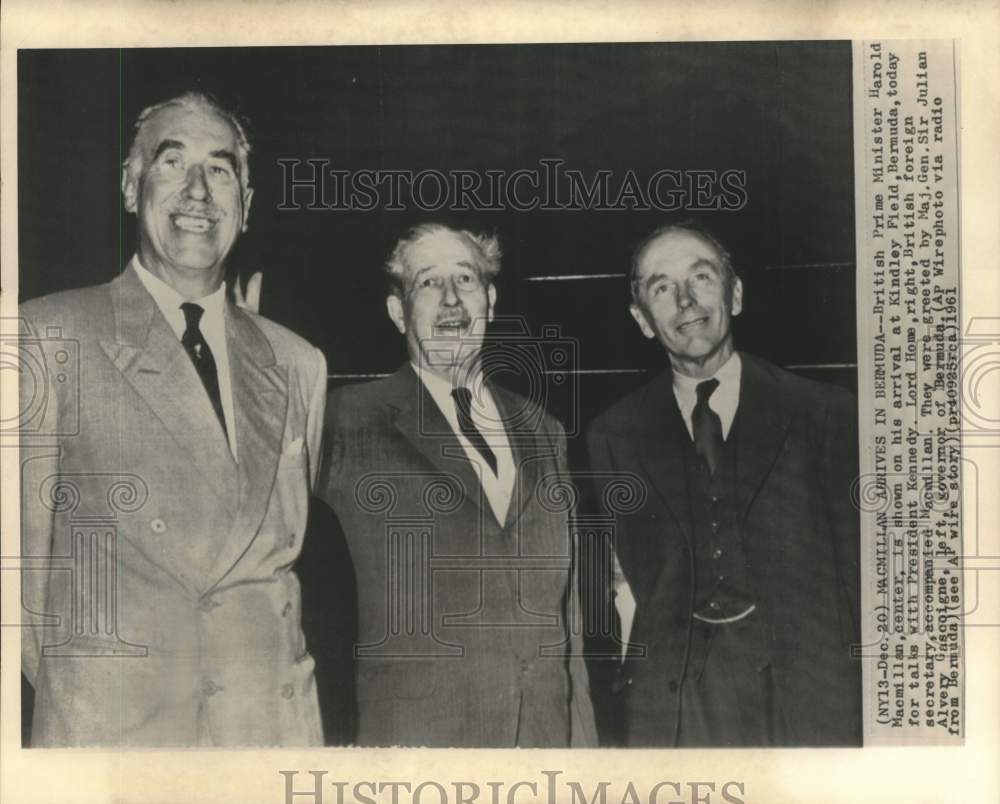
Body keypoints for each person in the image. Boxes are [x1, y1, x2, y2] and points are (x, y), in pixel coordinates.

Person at [19, 92, 328, 746]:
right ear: (130, 188)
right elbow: (14, 586)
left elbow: (276, 561)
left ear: (246, 201)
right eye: (171, 162)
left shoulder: (298, 363)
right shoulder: (47, 336)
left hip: (266, 742)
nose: (198, 191)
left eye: (219, 170)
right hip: (121, 750)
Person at [318, 223, 596, 747]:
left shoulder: (545, 429)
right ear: (398, 312)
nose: (450, 301)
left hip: (542, 751)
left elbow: (569, 620)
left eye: (465, 279)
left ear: (489, 300)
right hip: (418, 759)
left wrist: (582, 752)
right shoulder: (344, 421)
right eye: (428, 283)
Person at [586, 222, 861, 747]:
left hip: (807, 703)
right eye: (661, 288)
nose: (686, 301)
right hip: (681, 711)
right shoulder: (613, 434)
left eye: (702, 278)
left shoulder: (824, 412)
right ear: (642, 320)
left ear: (734, 294)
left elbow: (861, 576)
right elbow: (628, 584)